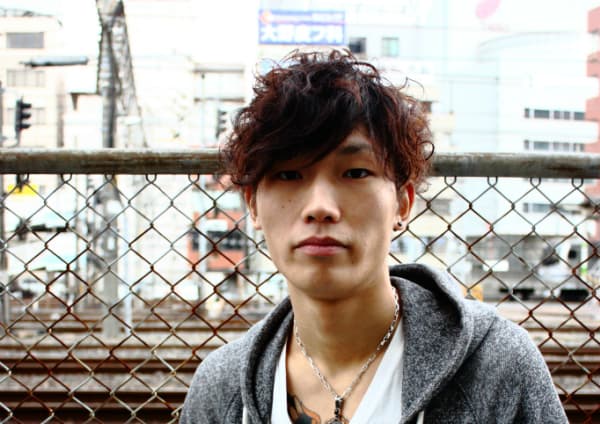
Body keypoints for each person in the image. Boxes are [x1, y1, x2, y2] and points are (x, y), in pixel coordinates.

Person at [180, 50, 566, 424]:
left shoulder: (496, 365)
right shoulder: (222, 387)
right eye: (288, 174)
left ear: (402, 202)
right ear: (253, 204)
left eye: (355, 173)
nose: (320, 207)